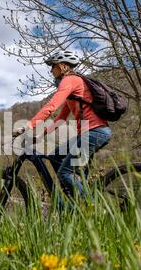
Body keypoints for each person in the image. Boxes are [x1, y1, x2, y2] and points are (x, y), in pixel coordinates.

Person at [13, 50, 112, 208]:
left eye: (53, 66)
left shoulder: (70, 80)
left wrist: (28, 125)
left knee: (64, 173)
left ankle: (93, 208)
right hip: (89, 133)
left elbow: (51, 107)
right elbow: (60, 119)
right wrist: (40, 136)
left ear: (63, 66)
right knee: (55, 157)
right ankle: (72, 205)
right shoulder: (74, 87)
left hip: (95, 131)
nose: (51, 70)